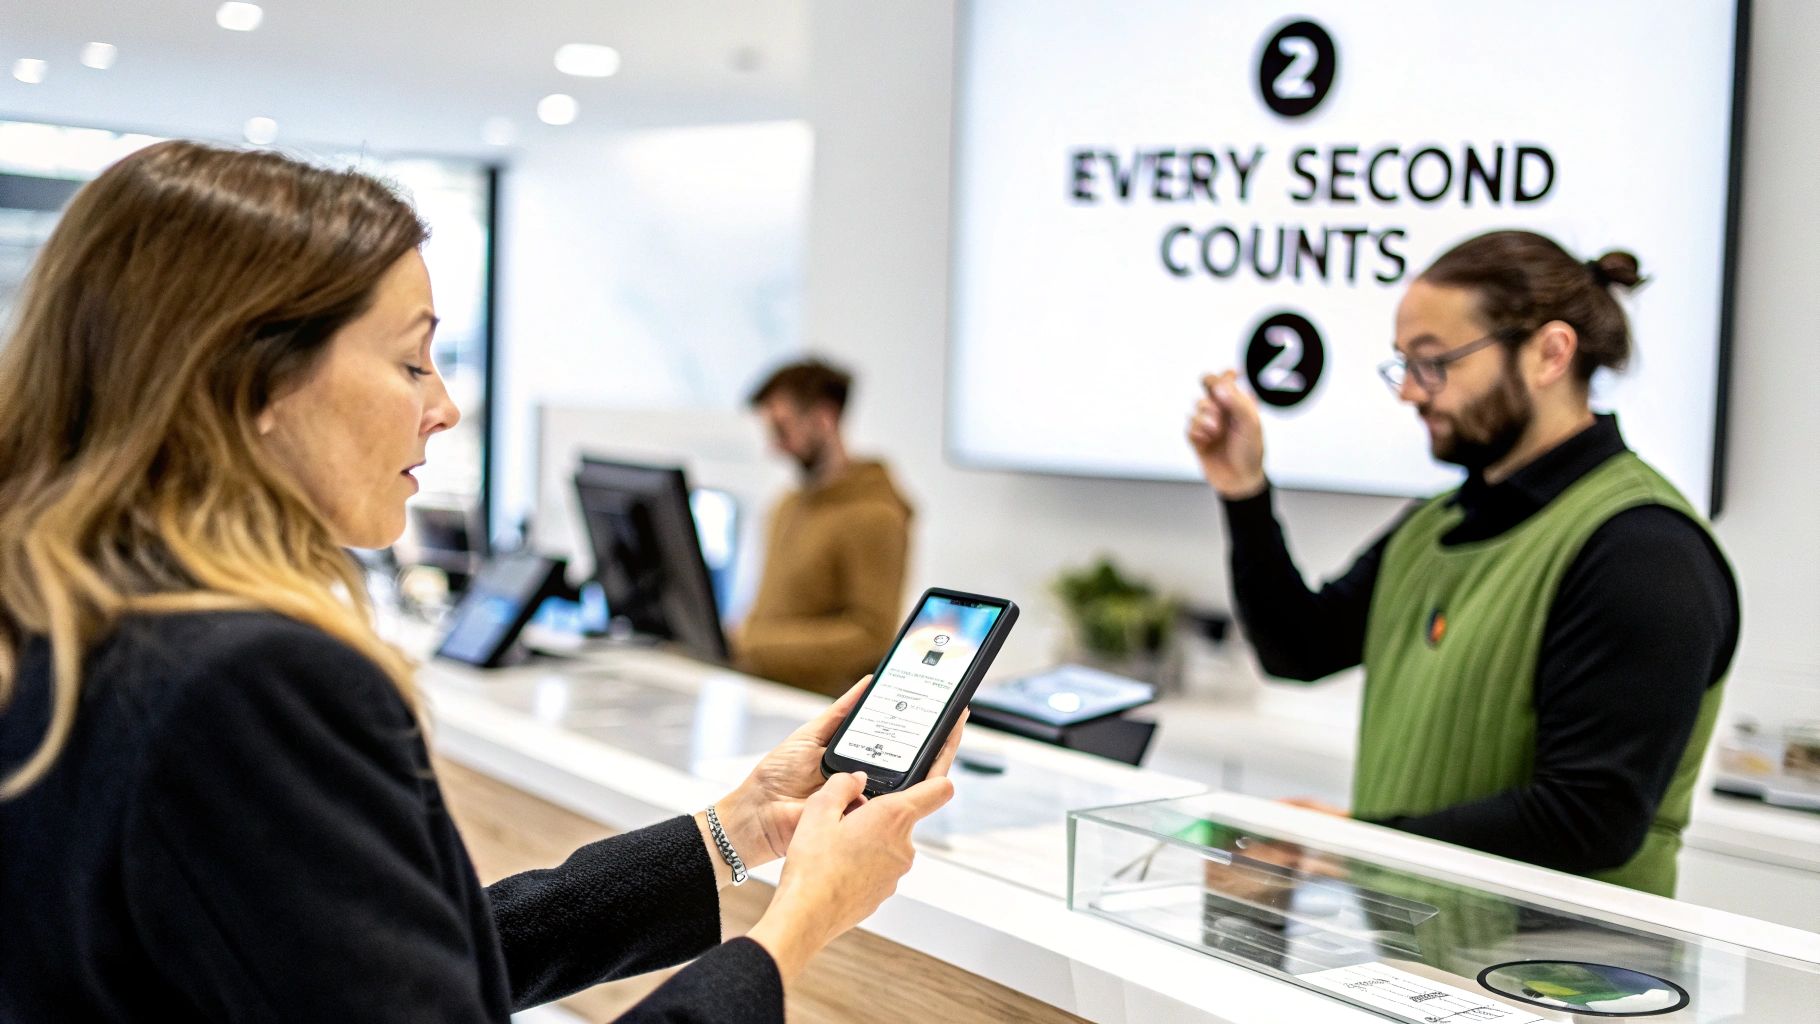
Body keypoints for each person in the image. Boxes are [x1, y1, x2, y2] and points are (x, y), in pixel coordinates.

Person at [0, 140, 961, 1022]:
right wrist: (794, 931)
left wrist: (732, 830)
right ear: (249, 383)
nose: (447, 407)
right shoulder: (251, 680)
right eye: (413, 360)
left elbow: (386, 961)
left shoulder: (73, 623)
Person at [1185, 229, 1739, 896]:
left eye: (1435, 362)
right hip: (1426, 973)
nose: (1411, 394)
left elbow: (1590, 818)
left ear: (1550, 353)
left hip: (1559, 986)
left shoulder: (1642, 549)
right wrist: (1244, 492)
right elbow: (1297, 648)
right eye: (1404, 365)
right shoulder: (1438, 522)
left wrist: (1356, 843)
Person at [733, 359, 914, 696]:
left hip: (819, 710)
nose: (774, 446)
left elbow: (870, 637)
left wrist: (752, 643)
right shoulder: (785, 505)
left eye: (782, 429)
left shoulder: (876, 516)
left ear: (824, 418)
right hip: (763, 692)